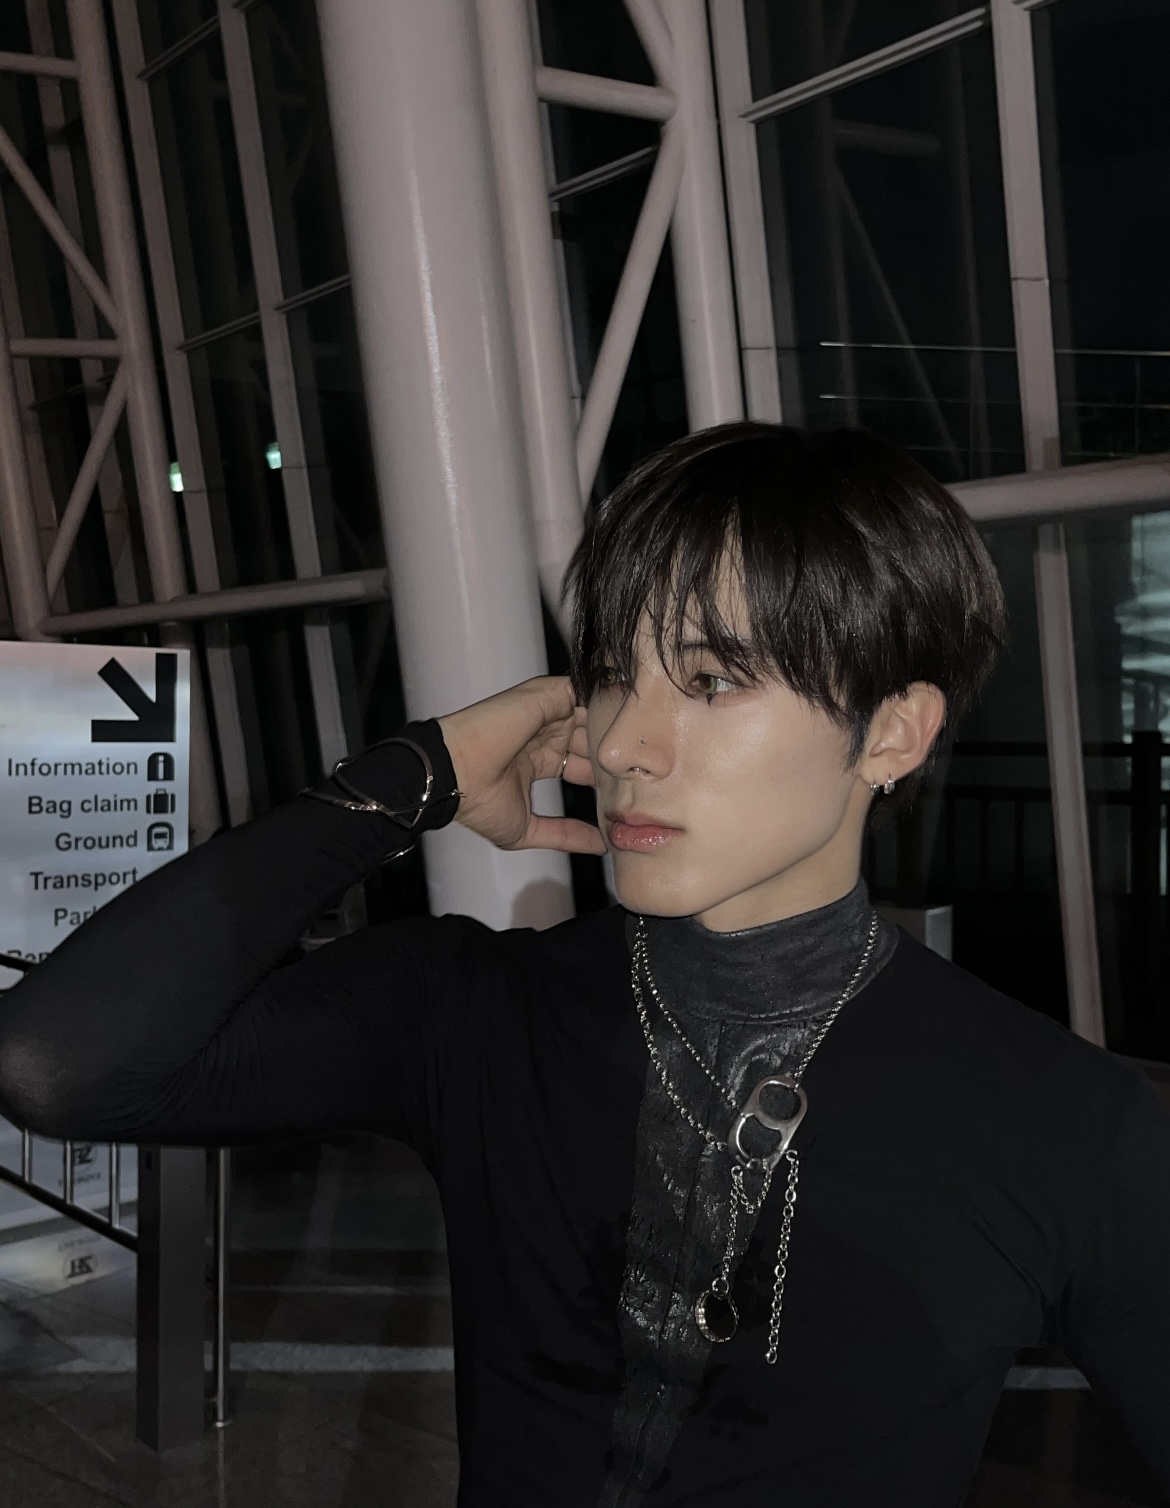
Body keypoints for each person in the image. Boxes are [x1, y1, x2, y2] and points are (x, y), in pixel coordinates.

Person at [1, 422, 1168, 1507]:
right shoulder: (476, 1010)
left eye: (711, 680)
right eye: (612, 672)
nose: (619, 743)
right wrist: (412, 774)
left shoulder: (1067, 1123)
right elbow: (58, 1062)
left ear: (894, 731)